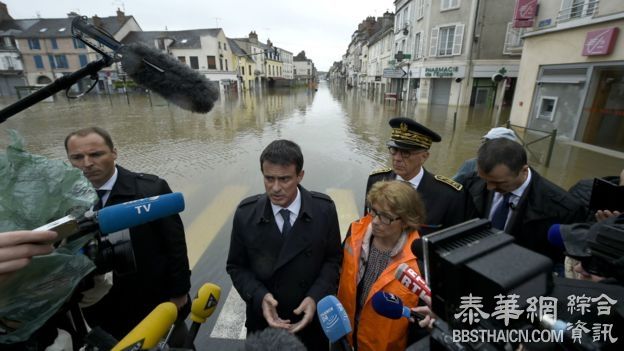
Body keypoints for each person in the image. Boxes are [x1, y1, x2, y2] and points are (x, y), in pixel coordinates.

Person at [64, 127, 191, 341]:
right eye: (77, 157)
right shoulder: (64, 200)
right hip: (98, 308)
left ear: (114, 153)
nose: (86, 163)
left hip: (151, 301)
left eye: (96, 154)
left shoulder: (150, 191)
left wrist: (179, 293)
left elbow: (175, 246)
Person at [226, 139, 342, 351]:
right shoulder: (246, 214)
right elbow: (236, 267)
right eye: (269, 178)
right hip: (263, 325)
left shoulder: (323, 210)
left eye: (285, 179)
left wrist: (315, 298)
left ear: (300, 176)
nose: (276, 188)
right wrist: (260, 298)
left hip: (310, 324)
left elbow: (333, 260)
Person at [463, 138, 586, 264]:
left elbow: (562, 262)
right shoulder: (469, 183)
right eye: (485, 180)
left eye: (498, 182)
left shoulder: (564, 209)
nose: (489, 187)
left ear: (524, 171)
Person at [338, 180, 425, 351]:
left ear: (406, 221)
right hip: (344, 336)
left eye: (385, 217)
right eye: (374, 211)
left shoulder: (419, 262)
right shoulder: (355, 232)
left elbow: (420, 324)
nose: (375, 221)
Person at [366, 117, 473, 235]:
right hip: (381, 251)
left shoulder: (448, 195)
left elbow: (452, 242)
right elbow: (369, 225)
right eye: (394, 150)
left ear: (424, 156)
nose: (396, 158)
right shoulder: (377, 181)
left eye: (405, 153)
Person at [452, 127, 519, 184]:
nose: (483, 146)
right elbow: (453, 185)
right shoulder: (472, 164)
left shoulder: (518, 168)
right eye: (485, 141)